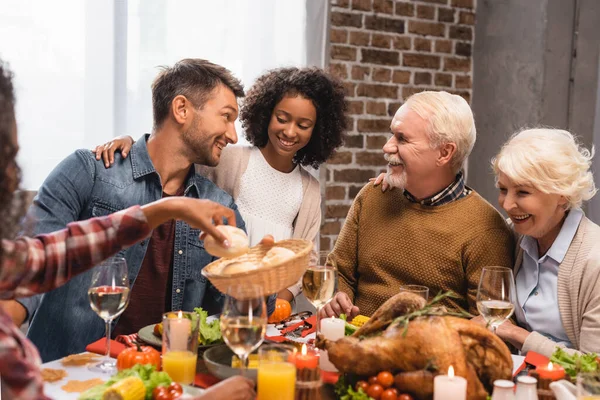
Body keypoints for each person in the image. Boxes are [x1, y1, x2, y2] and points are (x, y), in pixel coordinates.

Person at [0, 60, 256, 400]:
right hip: (72, 380)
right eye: (226, 116)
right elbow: (29, 273)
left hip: (159, 385)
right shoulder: (91, 170)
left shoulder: (218, 206)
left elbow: (233, 312)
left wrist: (258, 269)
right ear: (181, 109)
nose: (233, 134)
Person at [93, 67, 347, 302]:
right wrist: (126, 140)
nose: (290, 132)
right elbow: (173, 158)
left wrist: (278, 302)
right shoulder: (229, 159)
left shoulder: (309, 189)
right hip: (218, 295)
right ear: (266, 113)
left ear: (318, 131)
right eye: (282, 118)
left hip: (270, 304)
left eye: (303, 125)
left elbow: (307, 256)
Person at [320, 90, 514, 319]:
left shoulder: (486, 229)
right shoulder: (373, 196)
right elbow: (338, 271)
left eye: (402, 139)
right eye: (392, 135)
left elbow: (490, 325)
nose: (387, 147)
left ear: (444, 152)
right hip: (355, 343)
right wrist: (336, 297)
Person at [473, 128, 600, 357]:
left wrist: (518, 336)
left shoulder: (594, 260)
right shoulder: (514, 235)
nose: (507, 204)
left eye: (522, 192)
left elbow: (596, 369)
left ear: (562, 194)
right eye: (503, 189)